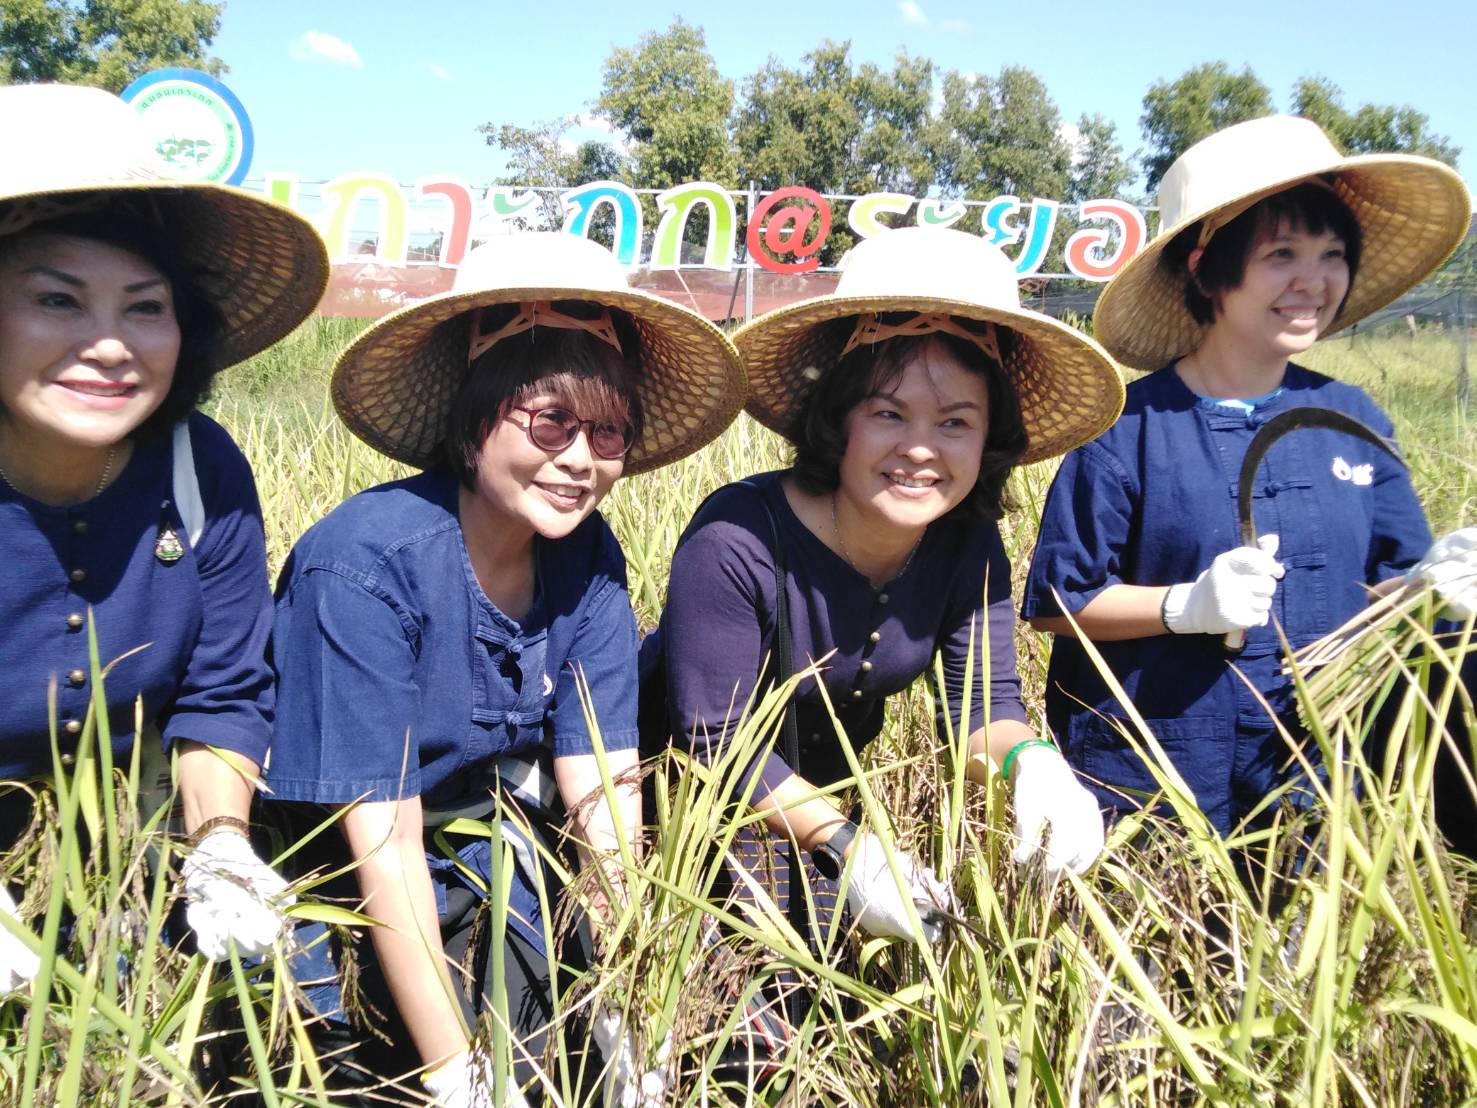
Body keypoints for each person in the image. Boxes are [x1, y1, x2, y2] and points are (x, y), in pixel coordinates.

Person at [265, 232, 745, 1106]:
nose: (580, 460)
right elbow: (383, 843)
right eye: (550, 420)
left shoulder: (586, 556)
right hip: (344, 881)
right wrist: (457, 1071)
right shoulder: (364, 566)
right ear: (474, 416)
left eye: (607, 431)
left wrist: (631, 991)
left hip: (492, 859)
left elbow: (603, 793)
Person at [652, 227, 1123, 962]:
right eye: (887, 413)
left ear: (989, 439)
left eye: (955, 422)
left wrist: (1031, 764)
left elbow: (982, 710)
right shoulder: (737, 539)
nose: (920, 448)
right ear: (838, 418)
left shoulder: (966, 545)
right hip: (681, 815)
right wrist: (847, 844)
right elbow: (714, 742)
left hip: (822, 815)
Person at [1023, 115, 1477, 836]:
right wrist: (1182, 606)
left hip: (1318, 773)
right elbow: (1058, 602)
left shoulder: (1352, 419)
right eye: (1281, 254)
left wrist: (1427, 587)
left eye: (1332, 254)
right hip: (1153, 777)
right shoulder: (1128, 427)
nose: (1313, 280)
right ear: (1207, 269)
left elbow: (1384, 583)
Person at [0, 83, 329, 991]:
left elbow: (223, 687)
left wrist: (219, 842)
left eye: (145, 307)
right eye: (58, 299)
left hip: (120, 839)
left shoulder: (198, 465)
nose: (111, 345)